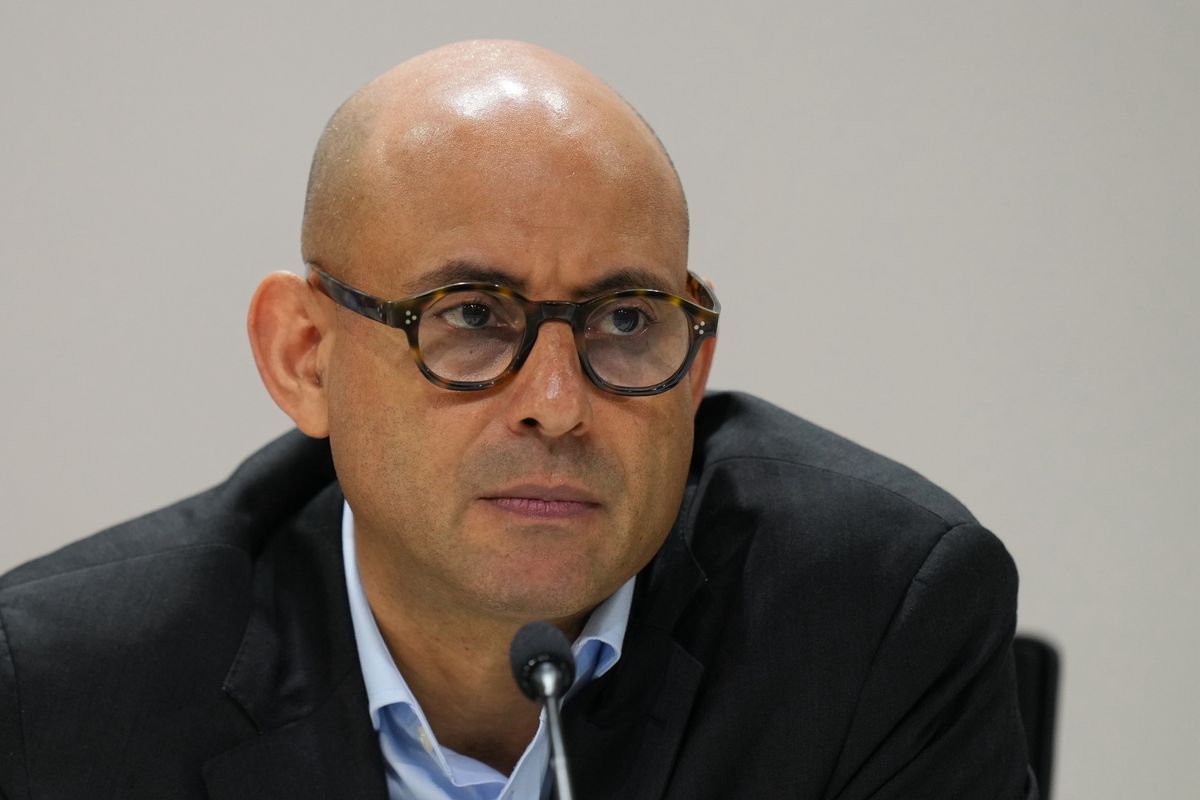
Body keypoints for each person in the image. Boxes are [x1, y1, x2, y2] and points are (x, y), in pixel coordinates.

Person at [0, 41, 1036, 799]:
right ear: (304, 355)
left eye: (626, 320)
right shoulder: (62, 691)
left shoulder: (874, 618)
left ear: (694, 367)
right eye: (470, 317)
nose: (556, 404)